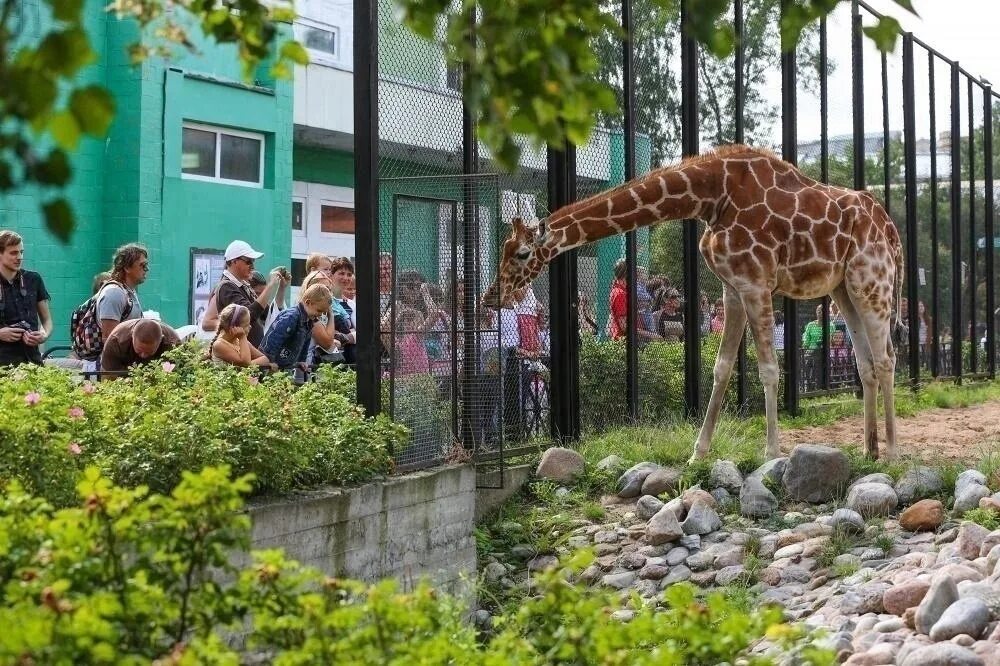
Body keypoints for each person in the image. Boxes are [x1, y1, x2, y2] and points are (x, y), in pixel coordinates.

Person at [214, 240, 283, 347]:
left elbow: (269, 314)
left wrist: (281, 287)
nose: (252, 266)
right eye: (248, 261)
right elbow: (249, 316)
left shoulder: (243, 286)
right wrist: (270, 285)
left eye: (253, 262)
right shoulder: (226, 287)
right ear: (233, 261)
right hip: (240, 355)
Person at [0, 230, 52, 367]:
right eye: (13, 253)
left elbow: (47, 320)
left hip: (32, 361)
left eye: (21, 252)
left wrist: (43, 335)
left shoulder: (34, 279)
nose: (19, 257)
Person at [261, 283, 333, 371]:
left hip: (286, 365)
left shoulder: (309, 321)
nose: (319, 315)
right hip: (272, 364)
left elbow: (305, 343)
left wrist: (302, 360)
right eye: (319, 310)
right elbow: (274, 338)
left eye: (323, 313)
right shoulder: (291, 317)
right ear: (308, 302)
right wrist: (269, 360)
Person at [97, 243, 148, 348]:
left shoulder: (128, 292)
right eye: (142, 265)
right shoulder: (114, 293)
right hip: (107, 362)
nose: (146, 269)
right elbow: (109, 339)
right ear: (127, 268)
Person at [100, 319, 180, 375]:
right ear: (132, 337)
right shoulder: (116, 340)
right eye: (139, 350)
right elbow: (108, 375)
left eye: (149, 352)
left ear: (161, 341)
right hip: (123, 377)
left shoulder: (173, 344)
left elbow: (179, 374)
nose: (143, 355)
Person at [206, 303, 273, 368]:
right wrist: (242, 337)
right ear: (234, 328)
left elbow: (265, 359)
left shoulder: (237, 341)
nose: (250, 327)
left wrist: (249, 364)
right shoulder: (219, 345)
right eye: (246, 325)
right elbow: (245, 362)